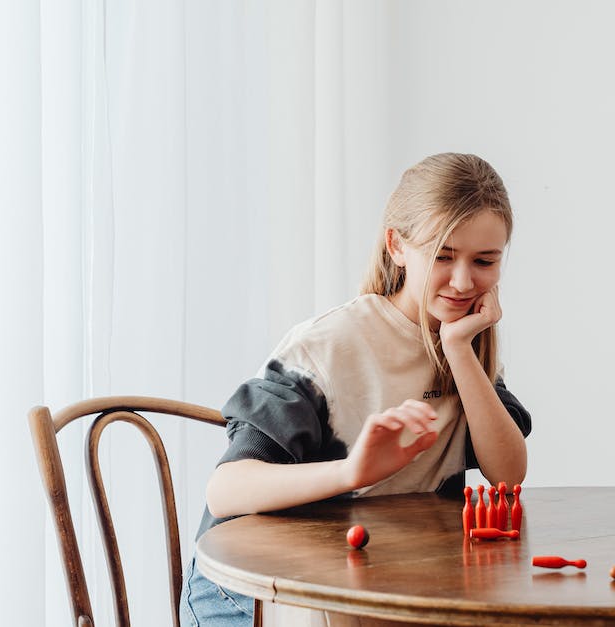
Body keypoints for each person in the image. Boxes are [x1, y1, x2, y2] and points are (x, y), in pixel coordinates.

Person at [181, 153, 532, 625]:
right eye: (443, 256)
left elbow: (507, 474)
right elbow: (225, 491)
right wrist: (353, 471)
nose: (464, 281)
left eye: (484, 260)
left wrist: (460, 352)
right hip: (254, 590)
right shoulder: (328, 346)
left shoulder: (466, 339)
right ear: (397, 246)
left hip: (381, 580)